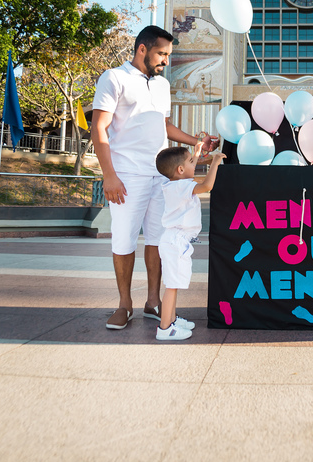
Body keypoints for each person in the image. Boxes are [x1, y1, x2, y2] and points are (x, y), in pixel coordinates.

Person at [90, 25, 218, 331]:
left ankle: (152, 302)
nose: (166, 61)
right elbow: (99, 128)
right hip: (126, 175)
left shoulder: (161, 85)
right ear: (142, 49)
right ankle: (124, 305)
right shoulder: (114, 78)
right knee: (124, 240)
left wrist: (196, 142)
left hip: (161, 176)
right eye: (162, 54)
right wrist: (109, 175)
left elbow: (165, 126)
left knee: (159, 240)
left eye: (168, 55)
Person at [152, 143, 224, 340]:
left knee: (174, 284)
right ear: (180, 170)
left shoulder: (174, 184)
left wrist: (196, 153)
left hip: (174, 240)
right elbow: (207, 186)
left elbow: (187, 169)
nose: (196, 163)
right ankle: (165, 328)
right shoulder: (183, 186)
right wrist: (215, 162)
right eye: (192, 162)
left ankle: (172, 319)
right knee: (171, 286)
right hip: (176, 241)